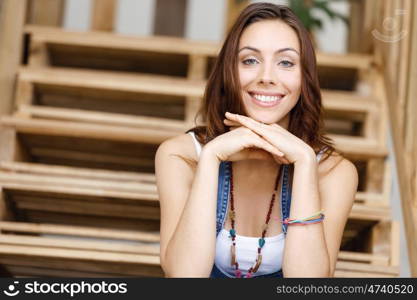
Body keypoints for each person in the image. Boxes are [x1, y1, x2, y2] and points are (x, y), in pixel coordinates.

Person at [155, 2, 358, 278]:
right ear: (229, 71)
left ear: (304, 77)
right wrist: (212, 157)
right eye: (250, 60)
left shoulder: (334, 173)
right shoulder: (179, 155)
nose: (266, 77)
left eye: (285, 62)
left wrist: (305, 162)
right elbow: (184, 277)